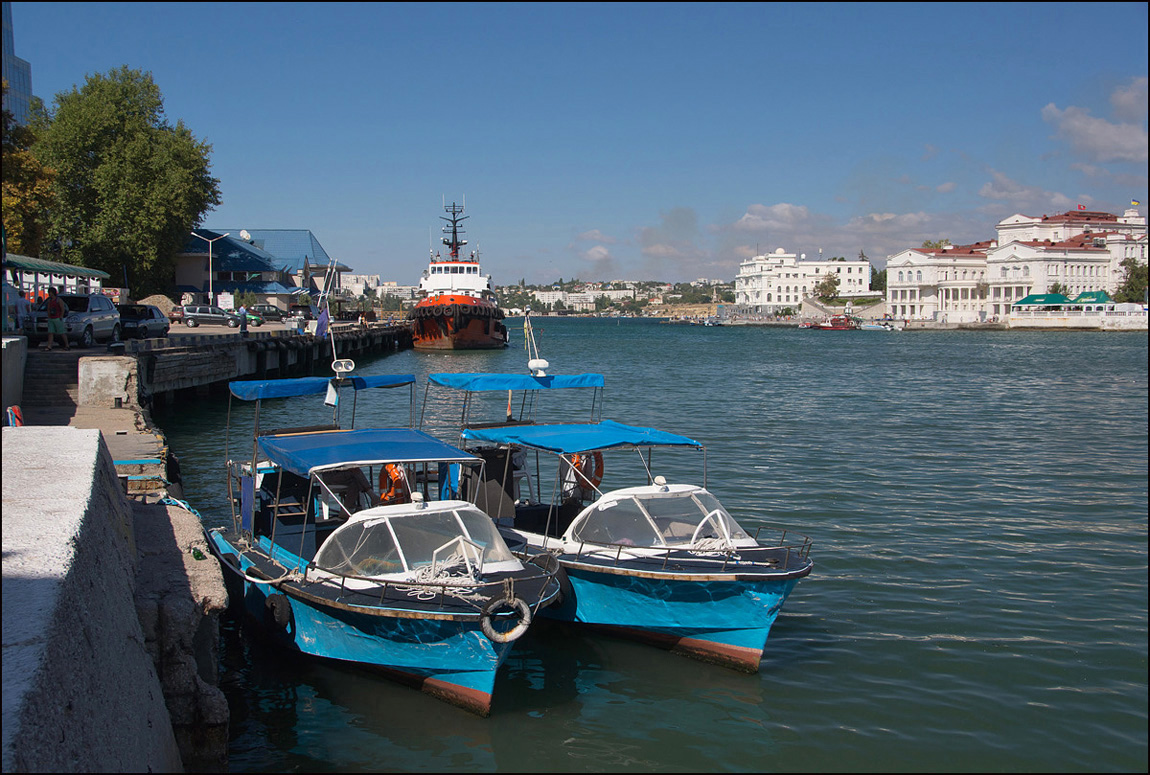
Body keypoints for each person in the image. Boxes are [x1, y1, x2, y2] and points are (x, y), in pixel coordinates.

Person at [45, 286, 70, 351]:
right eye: (49, 292)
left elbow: (62, 308)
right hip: (51, 318)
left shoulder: (58, 300)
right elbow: (48, 309)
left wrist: (61, 316)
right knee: (50, 332)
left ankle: (67, 345)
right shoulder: (49, 300)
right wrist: (49, 316)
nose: (49, 294)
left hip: (58, 318)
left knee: (61, 332)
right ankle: (49, 346)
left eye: (50, 292)